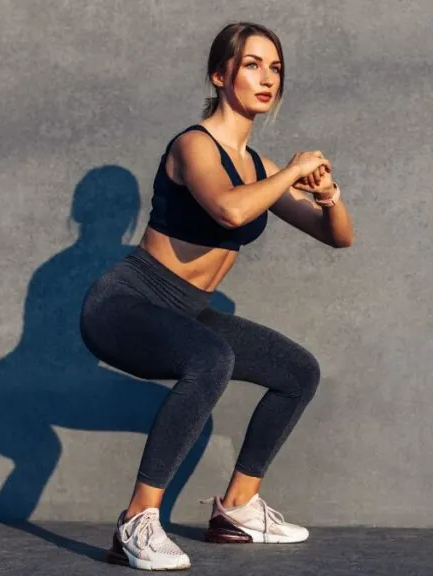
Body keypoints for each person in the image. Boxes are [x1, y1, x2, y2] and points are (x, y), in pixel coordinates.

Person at [79, 21, 354, 571]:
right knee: (211, 358)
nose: (267, 77)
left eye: (275, 67)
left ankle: (238, 509)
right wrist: (295, 170)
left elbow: (337, 237)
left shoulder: (260, 167)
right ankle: (136, 522)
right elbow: (230, 209)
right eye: (252, 64)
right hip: (125, 303)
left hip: (184, 308)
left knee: (297, 371)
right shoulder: (193, 145)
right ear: (220, 74)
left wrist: (329, 197)